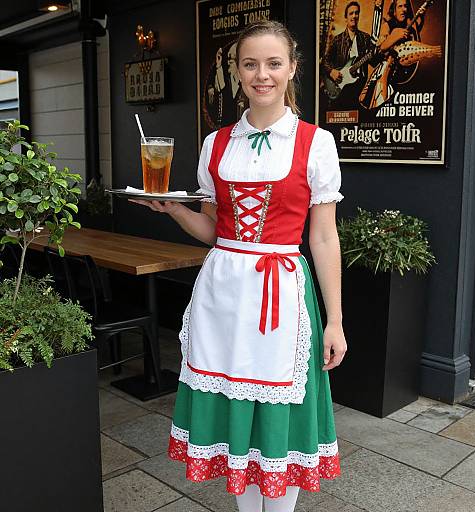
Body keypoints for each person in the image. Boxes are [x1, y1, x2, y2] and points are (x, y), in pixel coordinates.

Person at [132, 20, 346, 512]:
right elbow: (215, 231)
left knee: (281, 413)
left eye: (274, 63)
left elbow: (323, 236)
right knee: (235, 412)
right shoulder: (216, 143)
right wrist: (175, 210)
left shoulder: (316, 143)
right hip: (224, 292)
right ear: (238, 71)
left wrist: (334, 320)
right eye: (250, 64)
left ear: (292, 68)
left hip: (282, 294)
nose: (262, 75)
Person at [322, 1, 375, 107]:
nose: (354, 16)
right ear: (346, 18)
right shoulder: (337, 40)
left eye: (356, 13)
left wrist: (380, 51)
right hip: (341, 87)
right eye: (351, 13)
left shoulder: (365, 38)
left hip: (360, 87)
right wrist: (332, 71)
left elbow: (374, 62)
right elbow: (324, 61)